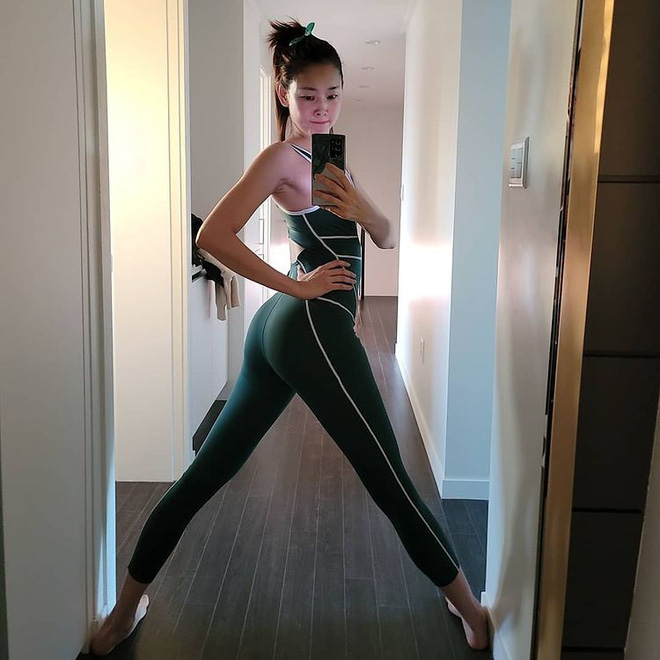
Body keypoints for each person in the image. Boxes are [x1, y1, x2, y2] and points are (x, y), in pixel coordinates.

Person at [90, 18, 490, 655]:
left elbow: (385, 238)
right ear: (285, 95)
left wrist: (365, 210)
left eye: (332, 94)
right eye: (308, 96)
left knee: (207, 472)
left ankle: (120, 615)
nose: (322, 107)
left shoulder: (328, 155)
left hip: (286, 329)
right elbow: (213, 236)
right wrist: (295, 286)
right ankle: (474, 612)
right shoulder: (281, 157)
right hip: (308, 325)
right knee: (388, 477)